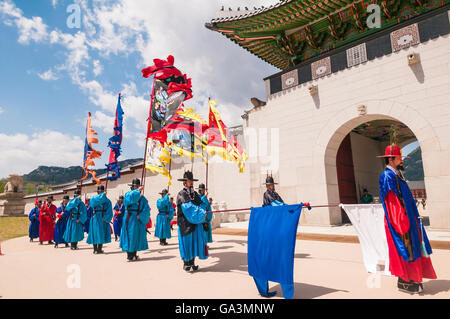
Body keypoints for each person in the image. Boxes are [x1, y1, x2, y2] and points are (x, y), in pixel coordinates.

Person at [378, 144, 436, 294]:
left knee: (414, 249)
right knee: (406, 250)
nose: (401, 160)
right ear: (391, 159)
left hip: (409, 219)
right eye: (399, 158)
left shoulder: (397, 174)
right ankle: (407, 282)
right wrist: (401, 223)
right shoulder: (387, 176)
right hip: (401, 222)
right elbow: (392, 202)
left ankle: (415, 280)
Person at [176, 171, 209, 272]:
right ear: (184, 183)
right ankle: (186, 263)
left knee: (194, 242)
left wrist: (204, 213)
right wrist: (201, 212)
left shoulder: (195, 194)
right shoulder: (181, 194)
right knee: (186, 242)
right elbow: (188, 208)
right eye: (189, 181)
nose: (191, 182)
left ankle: (192, 262)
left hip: (195, 222)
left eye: (191, 181)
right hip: (185, 223)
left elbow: (202, 205)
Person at [120, 178, 150, 262]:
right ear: (132, 187)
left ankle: (134, 254)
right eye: (135, 187)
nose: (136, 188)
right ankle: (129, 254)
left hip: (137, 218)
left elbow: (146, 209)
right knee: (129, 235)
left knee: (136, 236)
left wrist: (140, 216)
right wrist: (137, 191)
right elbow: (127, 201)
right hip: (129, 218)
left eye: (137, 186)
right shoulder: (128, 194)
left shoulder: (143, 199)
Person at [87, 185, 113, 254]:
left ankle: (99, 249)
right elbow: (92, 204)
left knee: (101, 233)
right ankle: (95, 249)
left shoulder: (107, 201)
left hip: (102, 218)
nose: (100, 192)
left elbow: (109, 211)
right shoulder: (93, 199)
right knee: (94, 233)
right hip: (95, 217)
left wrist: (105, 218)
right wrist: (102, 197)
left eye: (102, 191)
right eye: (99, 191)